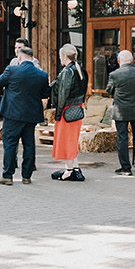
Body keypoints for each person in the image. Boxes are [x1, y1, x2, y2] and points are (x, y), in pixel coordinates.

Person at [0, 46, 50, 185]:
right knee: (29, 144)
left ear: (19, 57)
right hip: (31, 114)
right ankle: (27, 176)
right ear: (32, 58)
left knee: (10, 144)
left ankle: (7, 175)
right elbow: (45, 94)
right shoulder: (42, 75)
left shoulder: (12, 70)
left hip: (12, 113)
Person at [49, 43, 88, 182]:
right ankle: (74, 169)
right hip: (77, 109)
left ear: (64, 56)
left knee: (66, 142)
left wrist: (58, 113)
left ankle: (69, 170)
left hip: (66, 110)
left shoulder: (67, 72)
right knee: (71, 141)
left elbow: (62, 95)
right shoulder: (81, 70)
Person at [107, 49, 135, 175]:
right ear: (132, 60)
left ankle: (126, 168)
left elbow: (109, 90)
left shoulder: (114, 74)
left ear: (119, 60)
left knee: (122, 139)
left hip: (121, 110)